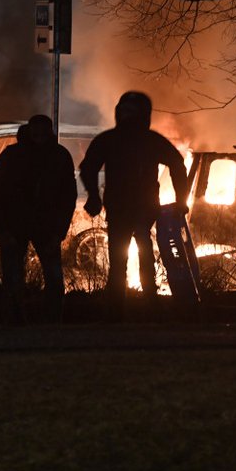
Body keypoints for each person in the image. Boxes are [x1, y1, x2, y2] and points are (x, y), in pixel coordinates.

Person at [79, 91, 188, 320]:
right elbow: (88, 167)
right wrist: (93, 196)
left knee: (130, 258)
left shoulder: (117, 139)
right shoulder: (144, 140)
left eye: (131, 112)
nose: (127, 116)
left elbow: (178, 165)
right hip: (129, 207)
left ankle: (131, 309)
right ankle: (137, 308)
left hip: (134, 208)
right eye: (125, 111)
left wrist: (182, 200)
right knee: (130, 257)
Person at [0, 114, 77, 323]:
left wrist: (58, 232)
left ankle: (48, 324)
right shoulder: (14, 155)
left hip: (43, 228)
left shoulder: (58, 156)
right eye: (36, 131)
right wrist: (3, 230)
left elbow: (68, 196)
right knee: (15, 279)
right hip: (16, 226)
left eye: (43, 131)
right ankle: (18, 323)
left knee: (51, 279)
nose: (40, 135)